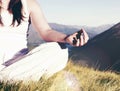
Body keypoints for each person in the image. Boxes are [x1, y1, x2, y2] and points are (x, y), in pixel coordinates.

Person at [0, 0, 89, 82]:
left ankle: (6, 77)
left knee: (61, 51)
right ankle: (13, 78)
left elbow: (46, 32)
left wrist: (67, 38)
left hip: (21, 64)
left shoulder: (29, 4)